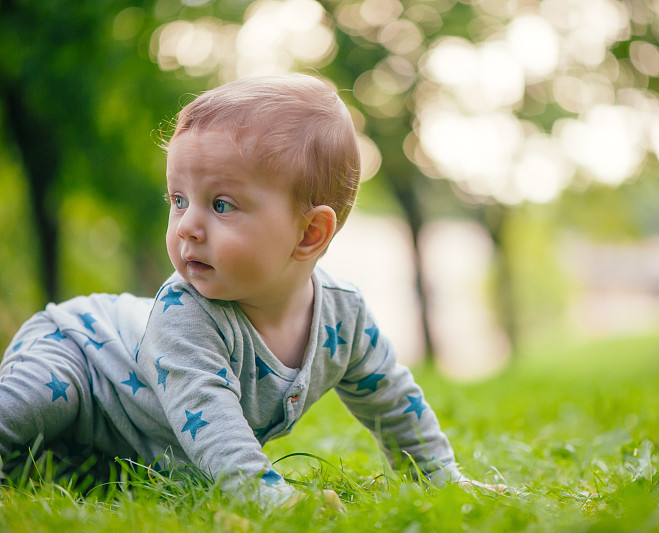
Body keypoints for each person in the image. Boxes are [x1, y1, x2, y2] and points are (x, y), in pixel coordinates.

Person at [0, 74, 499, 507]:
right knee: (32, 402)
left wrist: (441, 481)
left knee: (92, 483)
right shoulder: (185, 311)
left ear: (309, 234)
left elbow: (391, 398)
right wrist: (269, 496)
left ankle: (51, 465)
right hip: (76, 352)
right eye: (178, 199)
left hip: (124, 446)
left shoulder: (342, 316)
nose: (187, 227)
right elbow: (212, 422)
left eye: (220, 205)